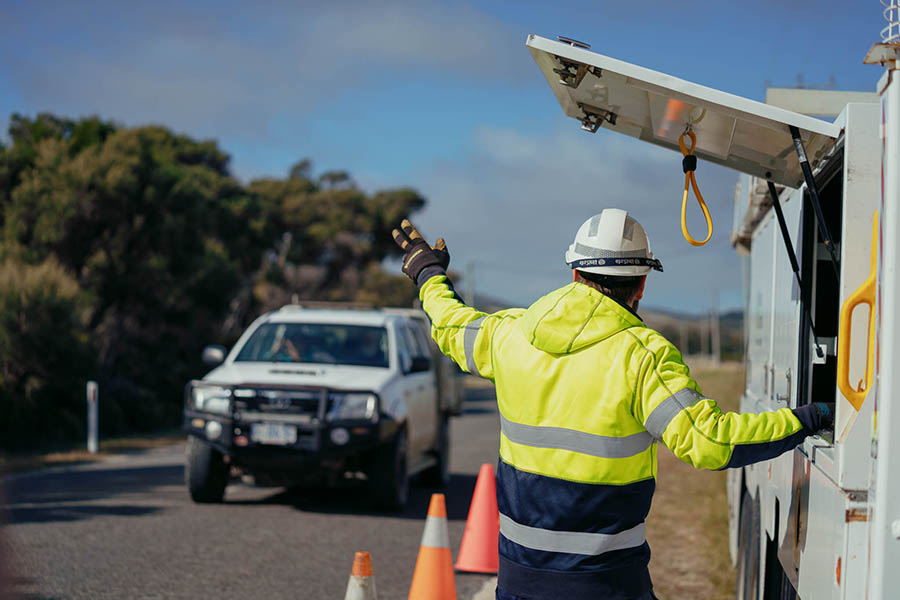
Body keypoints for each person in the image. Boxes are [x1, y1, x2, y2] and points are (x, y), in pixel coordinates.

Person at [392, 211, 833, 600]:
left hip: (519, 583)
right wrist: (812, 417)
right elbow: (710, 442)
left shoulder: (510, 334)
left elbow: (451, 324)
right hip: (606, 584)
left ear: (575, 275)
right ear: (641, 283)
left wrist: (429, 273)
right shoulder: (644, 356)